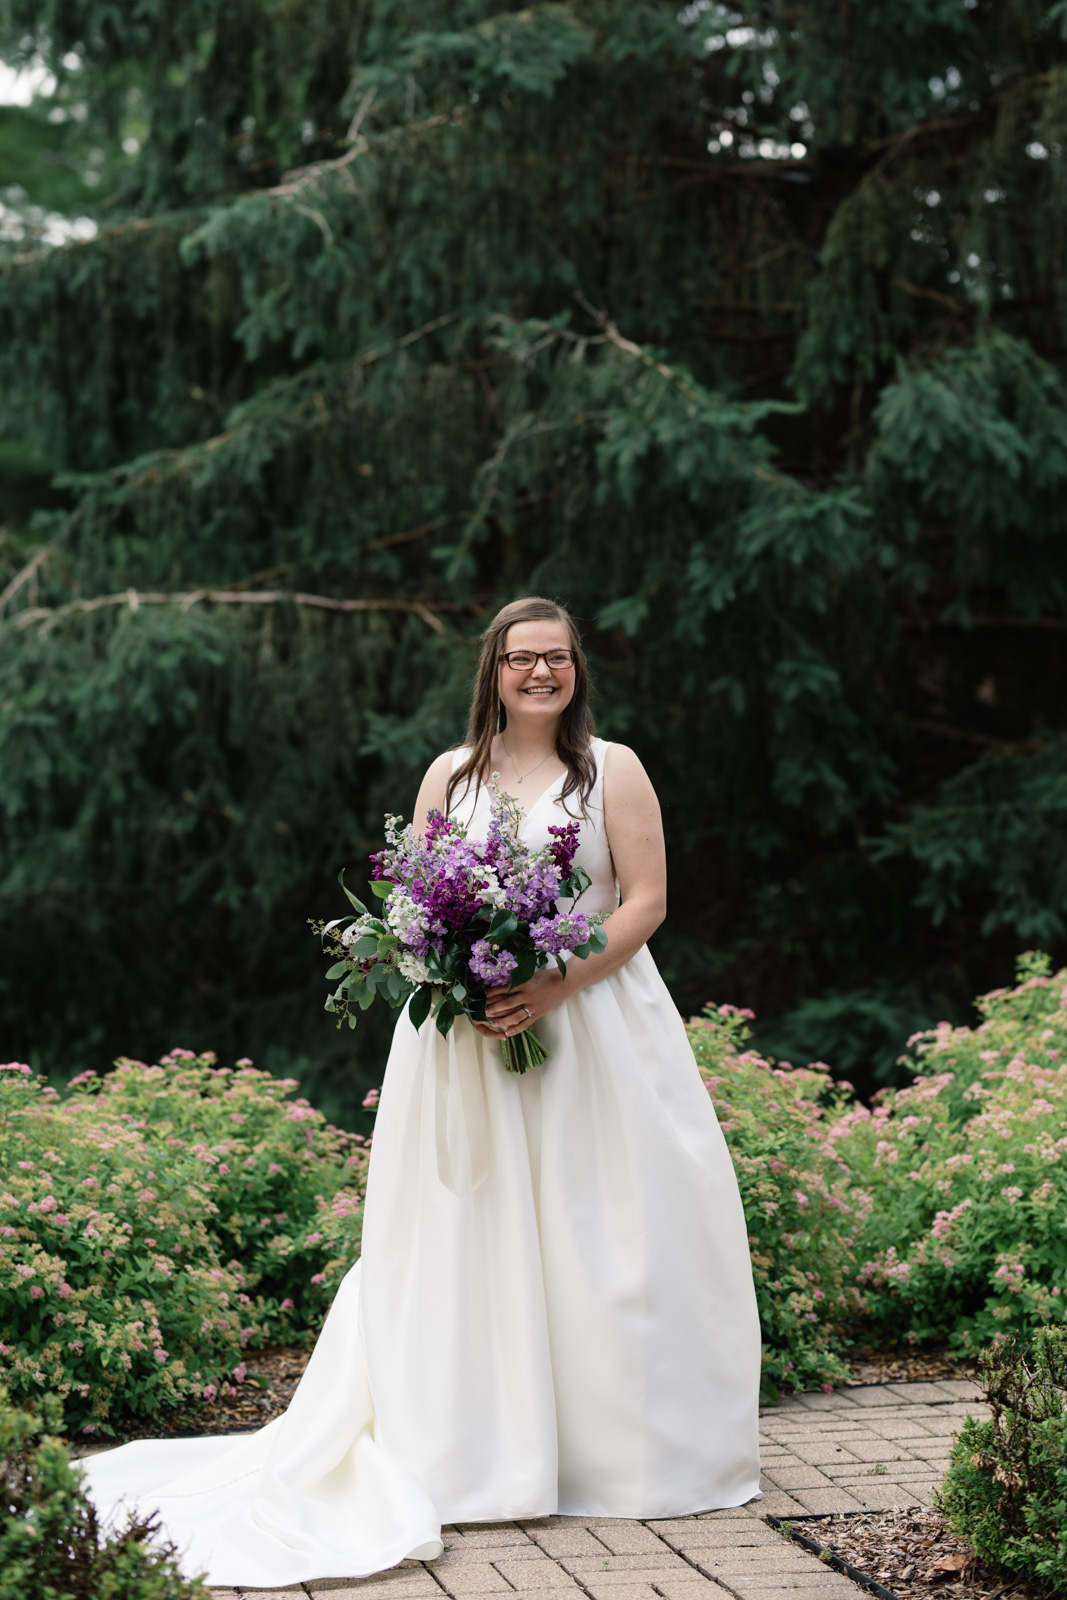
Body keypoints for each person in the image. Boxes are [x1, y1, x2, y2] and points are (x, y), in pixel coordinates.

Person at [81, 596, 762, 1587]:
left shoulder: (611, 768)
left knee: (602, 1226)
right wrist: (444, 962)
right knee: (472, 1226)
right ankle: (481, 1446)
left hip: (596, 1023)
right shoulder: (452, 773)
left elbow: (646, 898)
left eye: (556, 659)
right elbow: (414, 894)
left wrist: (551, 981)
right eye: (521, 658)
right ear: (491, 669)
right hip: (467, 1038)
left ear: (576, 671)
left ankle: (615, 1452)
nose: (540, 673)